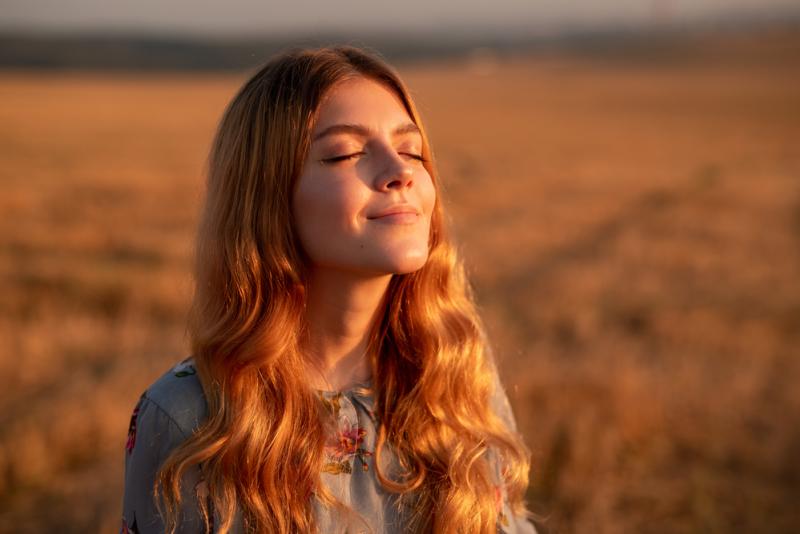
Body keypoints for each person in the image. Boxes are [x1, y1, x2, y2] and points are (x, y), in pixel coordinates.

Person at [121, 44, 537, 534]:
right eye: (345, 153)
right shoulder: (192, 419)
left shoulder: (456, 369)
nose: (401, 172)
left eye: (411, 150)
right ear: (268, 197)